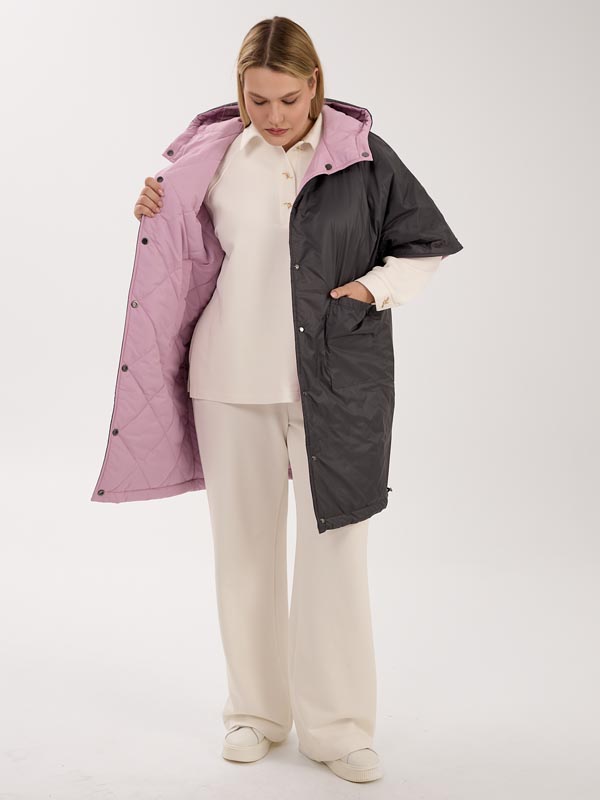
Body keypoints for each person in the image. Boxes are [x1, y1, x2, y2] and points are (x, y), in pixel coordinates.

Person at [97, 15, 462, 786]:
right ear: (240, 92)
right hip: (228, 379)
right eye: (257, 100)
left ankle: (338, 730)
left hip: (336, 383)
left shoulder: (362, 156)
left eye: (288, 100)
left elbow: (423, 246)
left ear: (315, 85)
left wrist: (371, 290)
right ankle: (255, 715)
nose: (273, 116)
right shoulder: (213, 156)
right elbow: (184, 251)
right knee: (245, 554)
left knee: (336, 555)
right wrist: (154, 209)